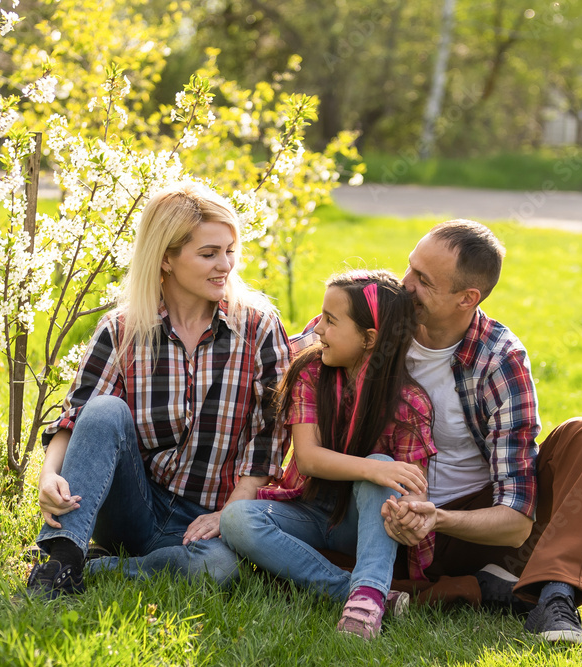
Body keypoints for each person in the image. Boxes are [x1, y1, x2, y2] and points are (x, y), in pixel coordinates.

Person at [24, 181, 291, 599]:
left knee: (219, 570)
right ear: (166, 258)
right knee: (106, 409)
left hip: (208, 520)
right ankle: (60, 562)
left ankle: (101, 566)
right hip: (134, 508)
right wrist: (47, 474)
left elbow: (270, 436)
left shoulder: (258, 328)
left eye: (230, 250)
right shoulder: (123, 330)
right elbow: (79, 417)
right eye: (208, 254)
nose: (225, 265)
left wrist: (229, 514)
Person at [381, 219, 582, 645]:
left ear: (467, 298)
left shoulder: (499, 359)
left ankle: (555, 597)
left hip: (467, 528)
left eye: (424, 280)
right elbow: (295, 363)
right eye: (410, 268)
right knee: (277, 546)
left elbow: (515, 522)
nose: (405, 284)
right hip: (382, 520)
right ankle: (480, 589)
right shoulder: (377, 314)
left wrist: (437, 518)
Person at [220, 269, 436, 639]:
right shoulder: (312, 373)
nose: (317, 328)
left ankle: (365, 606)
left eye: (331, 321)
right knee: (237, 519)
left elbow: (411, 496)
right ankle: (361, 594)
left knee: (385, 470)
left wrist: (385, 480)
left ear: (370, 339)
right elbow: (308, 458)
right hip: (307, 511)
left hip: (366, 527)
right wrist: (373, 468)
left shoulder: (410, 403)